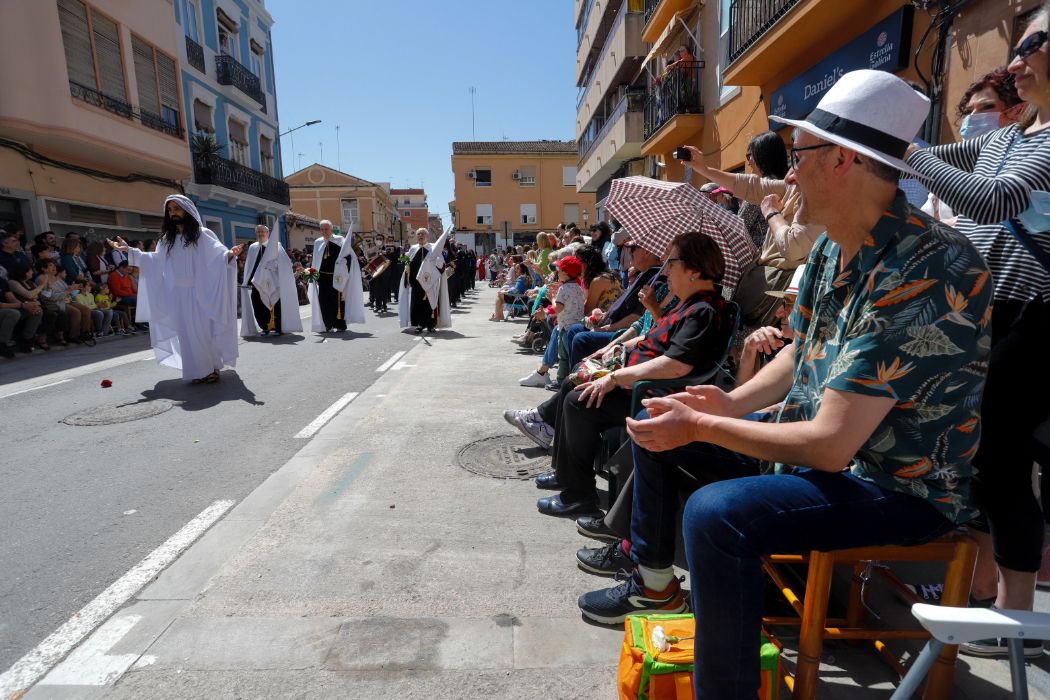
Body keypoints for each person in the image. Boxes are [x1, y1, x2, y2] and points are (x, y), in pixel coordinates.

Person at [578, 71, 993, 698]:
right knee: (658, 424)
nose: (787, 176)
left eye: (797, 157)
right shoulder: (832, 250)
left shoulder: (934, 265)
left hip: (898, 486)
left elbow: (830, 446)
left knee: (717, 514)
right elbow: (804, 348)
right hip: (833, 462)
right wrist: (729, 401)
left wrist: (708, 423)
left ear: (845, 160)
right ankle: (655, 581)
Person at [904, 4, 1050, 657]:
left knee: (1001, 460)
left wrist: (907, 153)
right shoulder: (1014, 132)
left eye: (1031, 46)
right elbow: (941, 161)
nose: (1014, 62)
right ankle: (999, 599)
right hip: (991, 314)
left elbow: (990, 200)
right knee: (989, 459)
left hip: (1034, 316)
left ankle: (1012, 613)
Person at [107, 195, 243, 384]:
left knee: (202, 331)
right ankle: (197, 370)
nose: (173, 213)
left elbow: (218, 256)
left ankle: (211, 368)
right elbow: (155, 261)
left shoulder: (203, 234)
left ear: (186, 210)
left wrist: (230, 254)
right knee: (186, 333)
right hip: (178, 294)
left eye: (177, 209)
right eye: (170, 210)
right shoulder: (166, 240)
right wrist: (129, 250)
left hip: (200, 292)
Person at [240, 224, 303, 338]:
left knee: (275, 305)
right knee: (258, 305)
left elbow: (286, 264)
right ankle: (265, 327)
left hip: (273, 282)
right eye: (258, 232)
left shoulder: (276, 246)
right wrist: (247, 280)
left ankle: (278, 327)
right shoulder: (253, 247)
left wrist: (275, 265)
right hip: (257, 283)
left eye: (262, 232)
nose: (260, 234)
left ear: (268, 233)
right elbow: (249, 265)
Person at [308, 220, 358, 334]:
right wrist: (312, 273)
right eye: (322, 229)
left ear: (331, 229)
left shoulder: (340, 240)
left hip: (337, 277)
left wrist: (343, 263)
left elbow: (349, 257)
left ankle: (339, 324)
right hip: (323, 278)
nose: (324, 231)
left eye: (326, 229)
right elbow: (315, 260)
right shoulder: (317, 242)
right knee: (324, 302)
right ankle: (327, 324)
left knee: (338, 301)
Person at [399, 227, 450, 333]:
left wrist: (435, 260)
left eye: (423, 234)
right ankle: (420, 324)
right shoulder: (413, 248)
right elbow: (407, 262)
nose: (421, 236)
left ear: (427, 236)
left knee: (430, 302)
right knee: (417, 303)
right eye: (419, 234)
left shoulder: (433, 248)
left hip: (430, 281)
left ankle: (431, 324)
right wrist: (405, 261)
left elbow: (441, 264)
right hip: (416, 282)